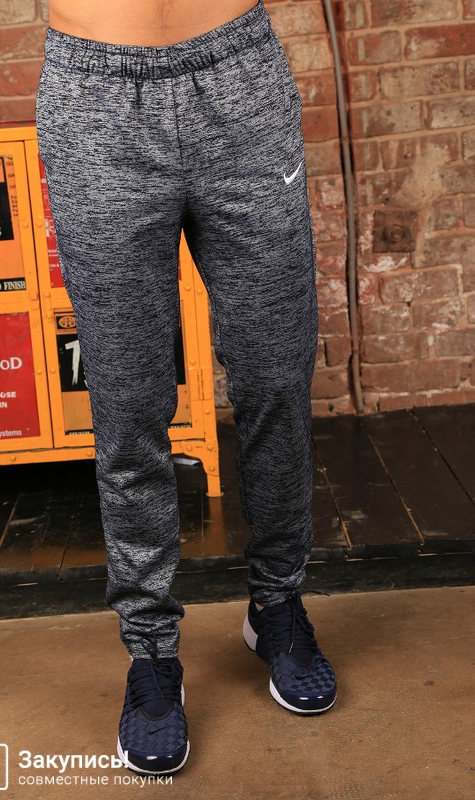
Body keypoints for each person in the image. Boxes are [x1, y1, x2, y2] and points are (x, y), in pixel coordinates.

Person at [35, 0, 337, 776]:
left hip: (237, 76)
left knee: (274, 375)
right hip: (95, 100)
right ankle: (151, 652)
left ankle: (277, 604)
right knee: (129, 403)